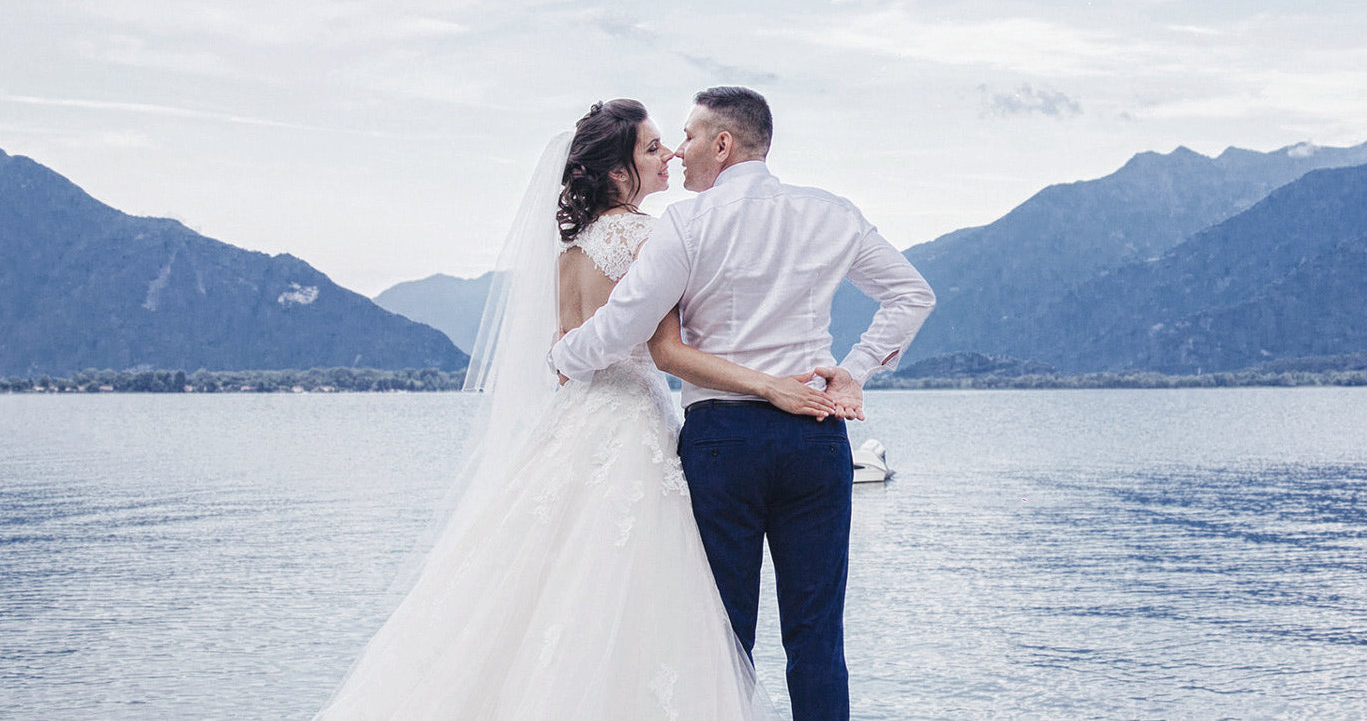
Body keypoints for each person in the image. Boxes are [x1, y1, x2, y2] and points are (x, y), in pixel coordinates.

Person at [313, 99, 828, 720]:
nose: (667, 156)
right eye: (651, 149)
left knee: (542, 581)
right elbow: (667, 350)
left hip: (578, 420)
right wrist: (769, 380)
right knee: (633, 590)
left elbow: (563, 355)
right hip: (635, 416)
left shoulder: (572, 249)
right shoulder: (649, 235)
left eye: (668, 143)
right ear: (618, 174)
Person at [552, 86, 935, 721]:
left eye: (691, 136)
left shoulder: (686, 224)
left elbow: (625, 324)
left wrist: (563, 357)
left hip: (721, 442)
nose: (681, 149)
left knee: (723, 638)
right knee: (817, 636)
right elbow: (912, 295)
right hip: (814, 436)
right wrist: (854, 370)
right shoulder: (832, 213)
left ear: (723, 143)